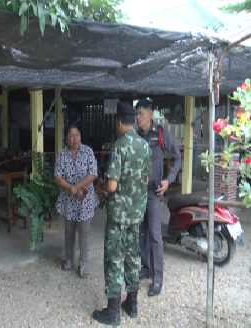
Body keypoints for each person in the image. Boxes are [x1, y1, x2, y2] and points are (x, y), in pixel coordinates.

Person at [92, 102, 151, 325]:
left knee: (114, 258)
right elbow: (145, 179)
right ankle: (132, 304)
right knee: (132, 256)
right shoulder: (144, 146)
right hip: (136, 214)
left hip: (118, 215)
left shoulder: (119, 146)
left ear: (118, 122)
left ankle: (113, 311)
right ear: (134, 120)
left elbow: (113, 186)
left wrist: (101, 184)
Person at [135, 98, 181, 296]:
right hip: (138, 192)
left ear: (150, 114)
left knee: (155, 235)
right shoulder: (135, 135)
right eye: (136, 114)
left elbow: (177, 157)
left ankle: (158, 278)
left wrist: (168, 180)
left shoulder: (161, 134)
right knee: (142, 232)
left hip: (154, 192)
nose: (138, 118)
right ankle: (145, 268)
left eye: (141, 114)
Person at [54, 123, 98, 278]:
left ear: (80, 136)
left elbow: (93, 174)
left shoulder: (88, 151)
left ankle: (83, 264)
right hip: (68, 200)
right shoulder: (61, 154)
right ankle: (68, 260)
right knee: (69, 231)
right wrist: (70, 189)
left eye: (77, 135)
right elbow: (58, 177)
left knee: (84, 232)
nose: (74, 139)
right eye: (71, 135)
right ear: (66, 138)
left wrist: (77, 187)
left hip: (85, 198)